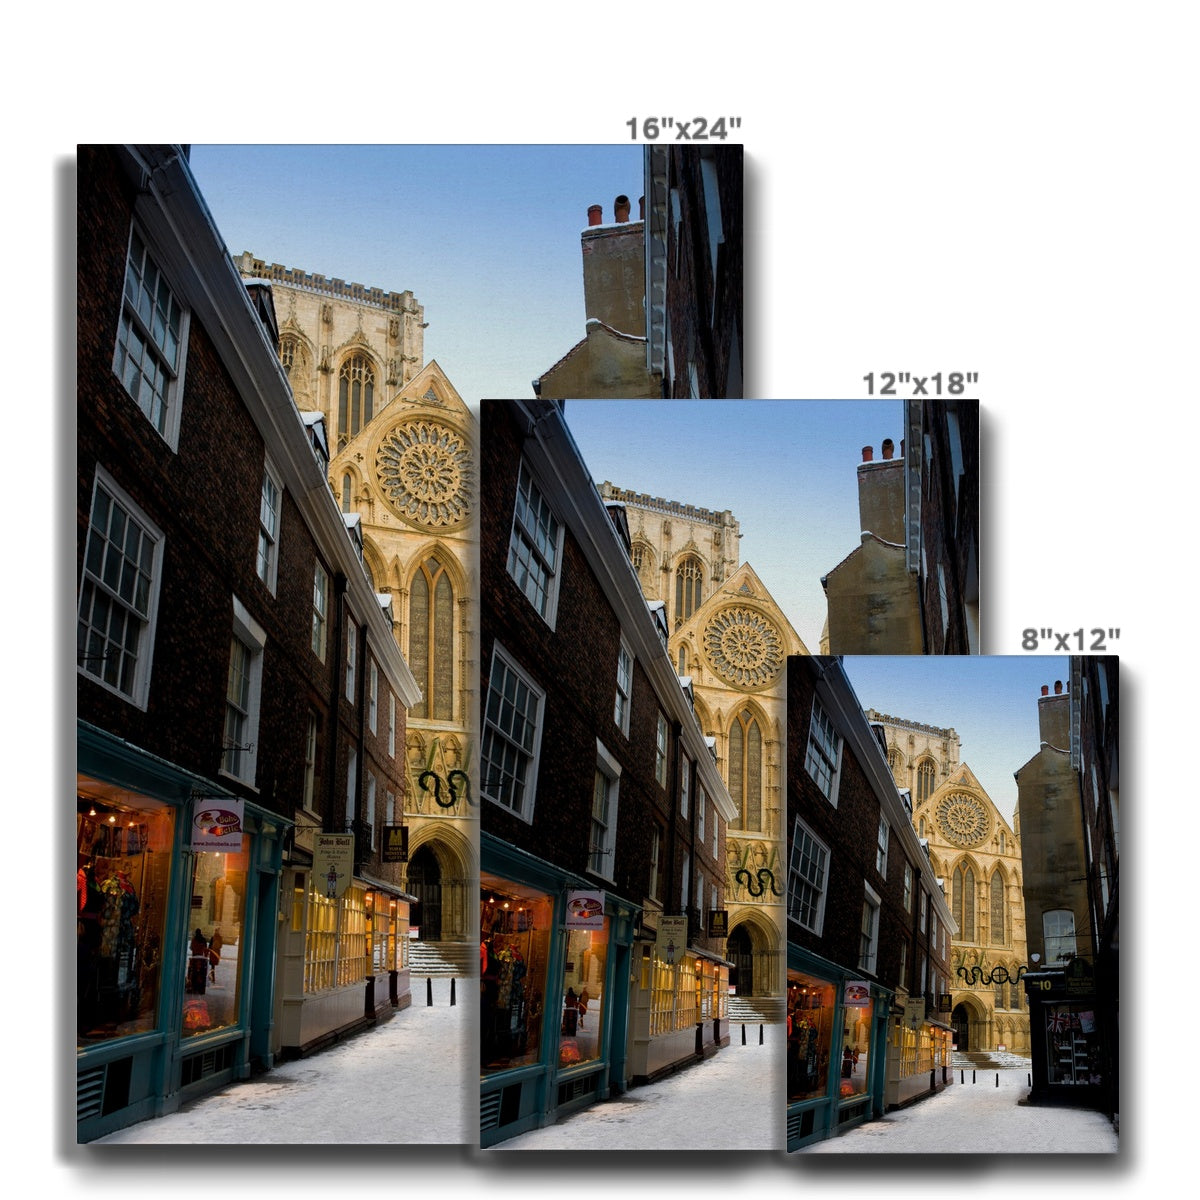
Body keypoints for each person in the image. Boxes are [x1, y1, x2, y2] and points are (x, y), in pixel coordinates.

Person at [188, 929, 209, 995]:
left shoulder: (194, 939)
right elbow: (205, 949)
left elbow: (191, 948)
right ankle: (200, 988)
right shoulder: (203, 940)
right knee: (201, 973)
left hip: (194, 958)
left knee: (193, 972)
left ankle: (193, 986)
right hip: (201, 959)